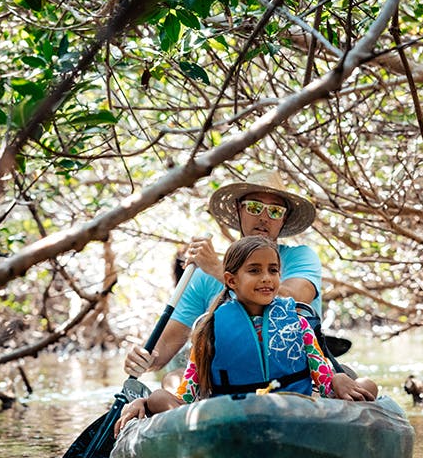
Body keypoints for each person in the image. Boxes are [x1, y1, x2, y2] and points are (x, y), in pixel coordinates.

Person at [123, 170, 375, 401]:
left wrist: (216, 268)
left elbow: (293, 297)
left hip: (295, 385)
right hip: (228, 390)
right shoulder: (202, 279)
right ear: (238, 210)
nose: (264, 218)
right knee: (172, 379)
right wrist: (143, 359)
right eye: (254, 207)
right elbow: (163, 348)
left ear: (284, 219)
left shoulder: (301, 257)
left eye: (274, 211)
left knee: (355, 381)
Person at [114, 237, 378, 435]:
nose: (266, 278)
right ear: (231, 281)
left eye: (273, 270)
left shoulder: (298, 322)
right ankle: (197, 441)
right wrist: (145, 402)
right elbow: (189, 392)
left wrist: (336, 379)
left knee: (367, 386)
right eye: (254, 270)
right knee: (158, 398)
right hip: (231, 418)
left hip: (295, 412)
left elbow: (322, 376)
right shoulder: (208, 330)